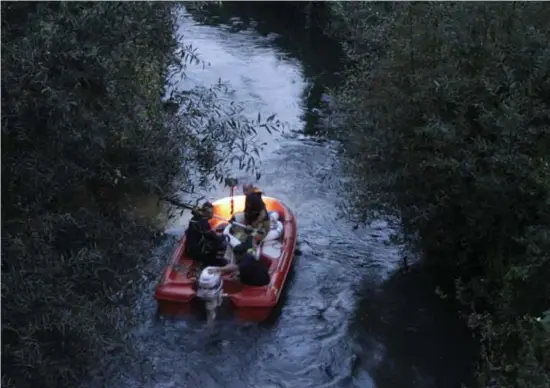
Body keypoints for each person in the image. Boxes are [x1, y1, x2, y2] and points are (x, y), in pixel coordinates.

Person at [185, 202, 228, 267]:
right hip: (196, 253)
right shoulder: (203, 223)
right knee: (222, 243)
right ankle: (215, 261)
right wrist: (223, 236)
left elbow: (209, 233)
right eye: (211, 213)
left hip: (190, 249)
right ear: (206, 213)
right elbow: (215, 237)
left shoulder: (195, 218)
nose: (212, 214)